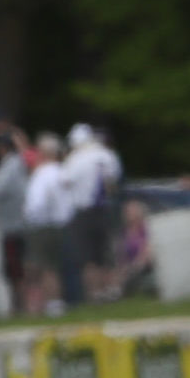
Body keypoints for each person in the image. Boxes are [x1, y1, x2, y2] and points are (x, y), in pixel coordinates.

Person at [61, 123, 121, 303]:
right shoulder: (107, 155)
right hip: (105, 208)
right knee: (107, 253)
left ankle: (95, 294)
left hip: (84, 211)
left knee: (88, 258)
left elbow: (65, 181)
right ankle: (112, 289)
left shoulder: (76, 158)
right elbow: (114, 181)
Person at [22, 131, 72, 315]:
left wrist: (30, 218)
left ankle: (50, 304)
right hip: (61, 223)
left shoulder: (42, 174)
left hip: (43, 225)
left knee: (44, 267)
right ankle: (55, 302)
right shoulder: (63, 172)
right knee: (55, 266)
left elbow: (37, 203)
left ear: (43, 153)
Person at [0, 126, 27, 315]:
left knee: (15, 268)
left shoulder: (12, 165)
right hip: (12, 224)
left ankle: (19, 306)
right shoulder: (13, 164)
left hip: (12, 225)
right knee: (14, 268)